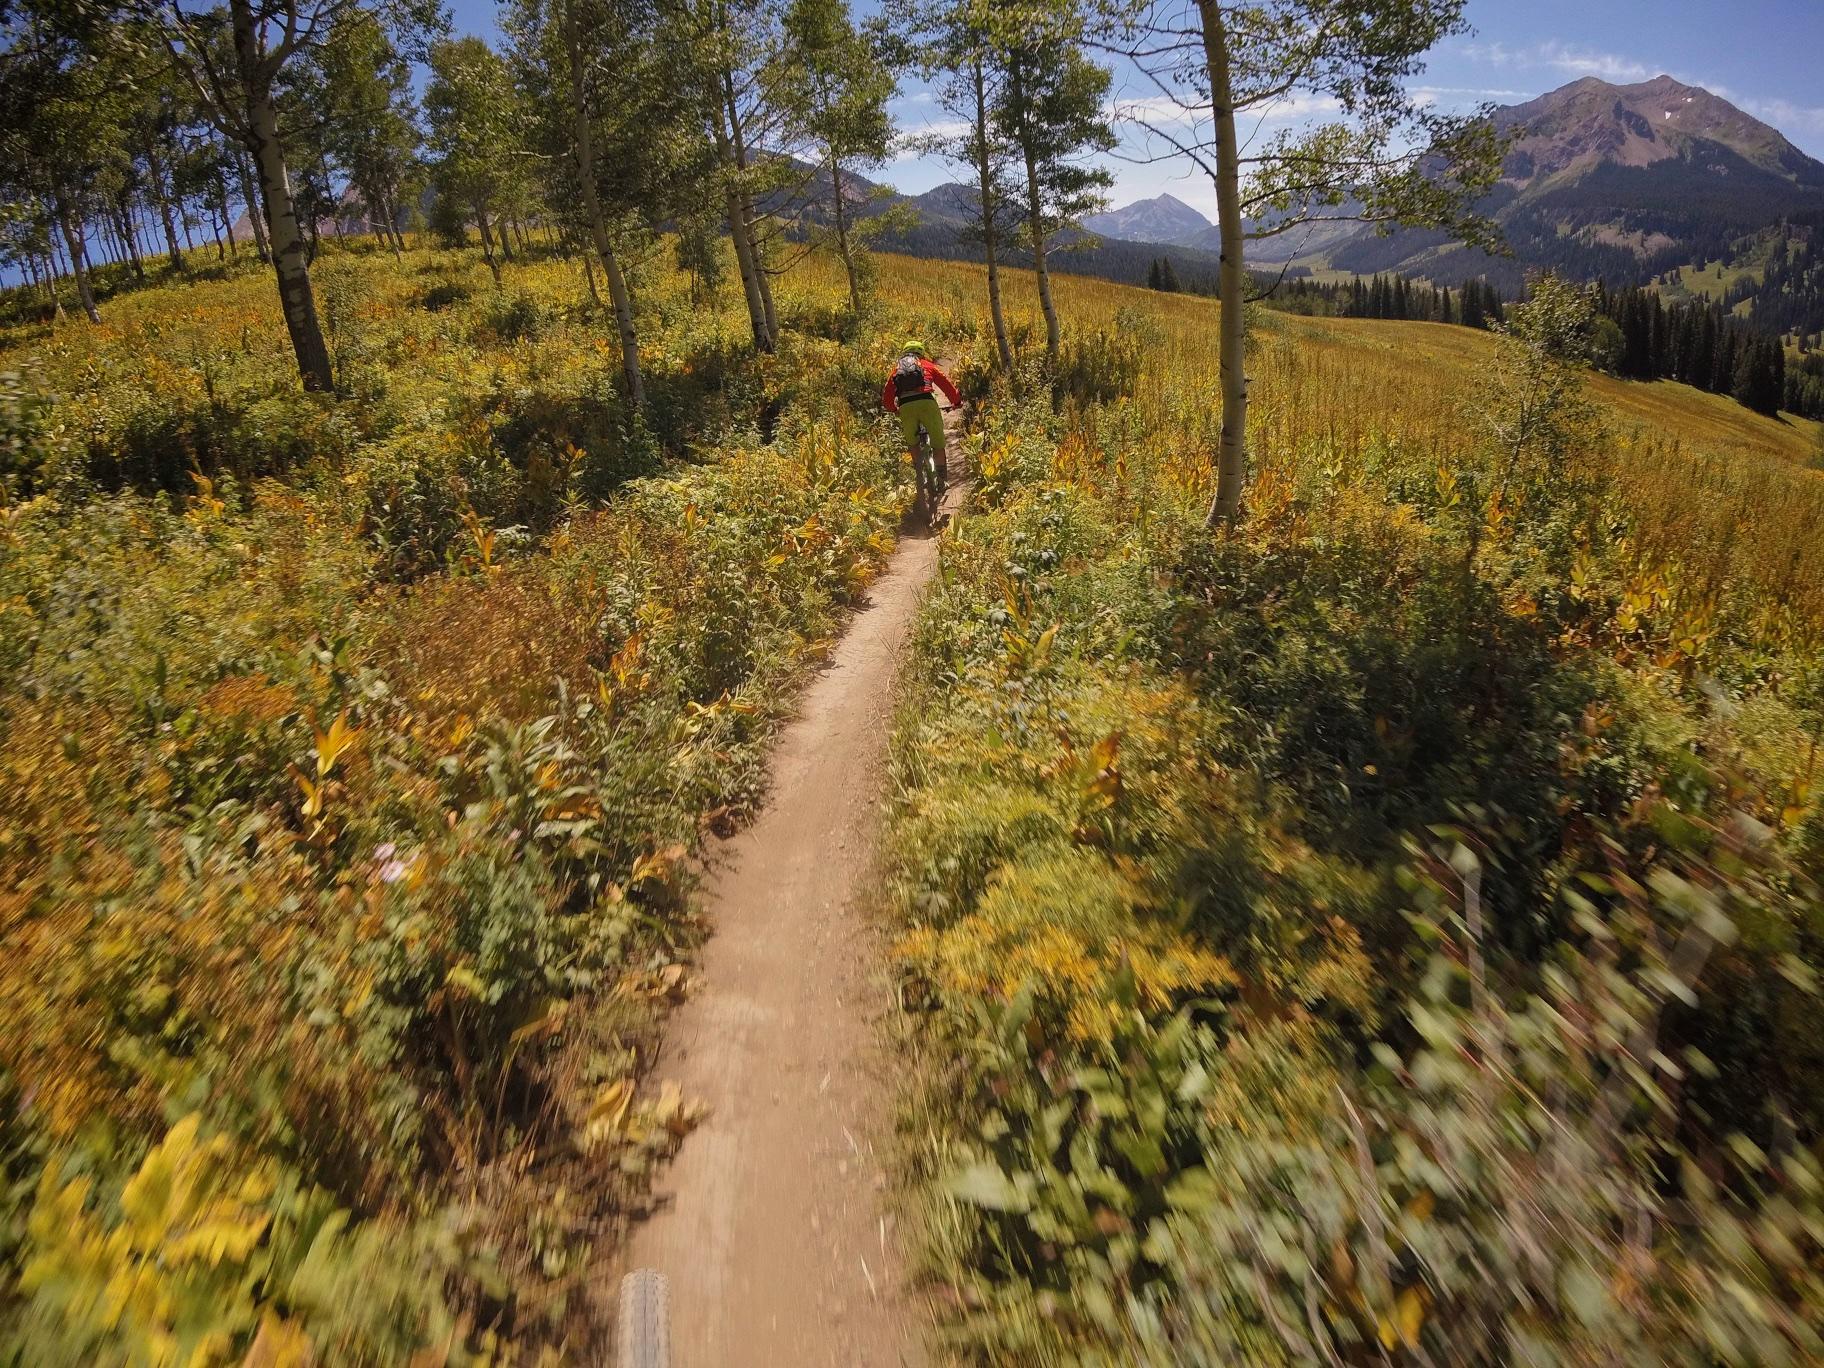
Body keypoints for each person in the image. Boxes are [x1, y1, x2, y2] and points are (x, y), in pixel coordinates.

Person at [881, 341, 961, 487]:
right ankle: (942, 480)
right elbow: (946, 384)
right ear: (921, 353)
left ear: (904, 354)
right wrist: (956, 401)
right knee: (938, 444)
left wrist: (894, 409)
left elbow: (887, 397)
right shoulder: (928, 365)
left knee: (913, 443)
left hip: (906, 407)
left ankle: (920, 475)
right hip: (926, 403)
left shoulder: (897, 370)